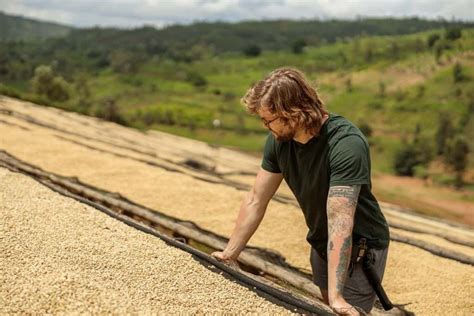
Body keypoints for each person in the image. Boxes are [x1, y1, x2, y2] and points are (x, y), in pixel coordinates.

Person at [211, 67, 390, 315]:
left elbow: (340, 219)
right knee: (326, 308)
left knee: (343, 310)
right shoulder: (279, 142)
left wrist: (338, 297)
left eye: (268, 120)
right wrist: (230, 254)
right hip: (320, 241)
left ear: (292, 113)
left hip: (359, 250)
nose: (265, 126)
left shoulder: (345, 143)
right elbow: (256, 199)